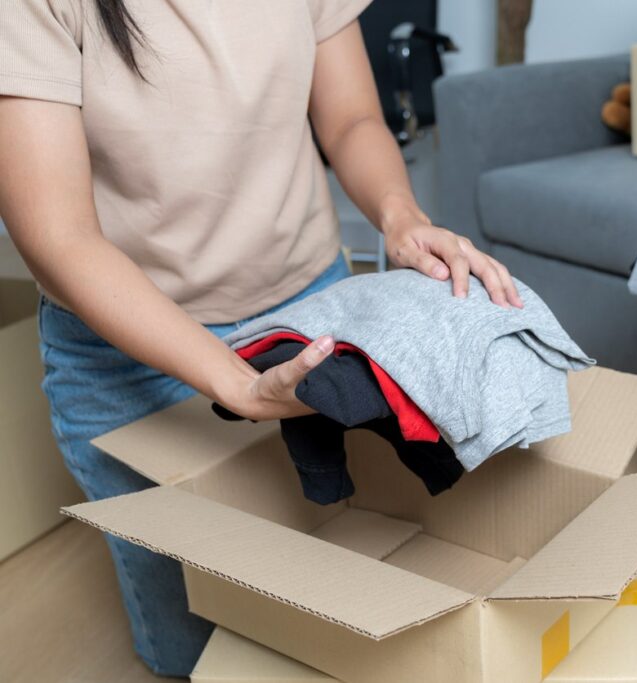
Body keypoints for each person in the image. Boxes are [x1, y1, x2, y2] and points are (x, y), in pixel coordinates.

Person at [0, 0, 521, 676]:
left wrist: (399, 215)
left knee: (335, 601)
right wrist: (231, 381)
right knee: (200, 650)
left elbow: (352, 117)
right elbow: (58, 238)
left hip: (306, 312)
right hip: (128, 352)